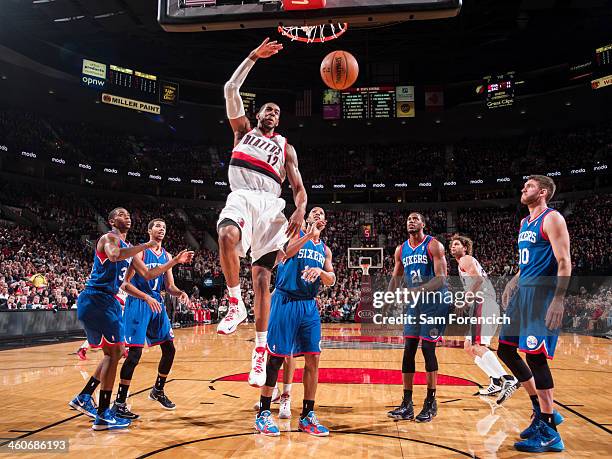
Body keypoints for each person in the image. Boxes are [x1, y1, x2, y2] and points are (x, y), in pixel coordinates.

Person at [217, 38, 307, 388]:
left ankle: (258, 352)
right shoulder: (241, 132)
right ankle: (234, 302)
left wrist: (299, 210)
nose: (273, 114)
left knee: (262, 278)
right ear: (257, 114)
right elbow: (230, 87)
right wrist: (253, 55)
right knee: (226, 235)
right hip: (241, 195)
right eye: (268, 110)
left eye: (278, 113)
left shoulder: (286, 147)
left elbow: (299, 189)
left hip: (271, 206)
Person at [496, 175, 570, 453]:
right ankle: (540, 409)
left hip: (542, 294)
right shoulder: (524, 223)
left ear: (542, 192)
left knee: (536, 357)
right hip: (523, 292)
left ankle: (549, 429)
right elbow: (526, 261)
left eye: (528, 186)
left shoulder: (552, 218)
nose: (522, 189)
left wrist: (559, 300)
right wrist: (514, 282)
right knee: (505, 349)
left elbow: (564, 261)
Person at [68, 208, 156, 431]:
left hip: (107, 302)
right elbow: (114, 255)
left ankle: (85, 397)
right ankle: (103, 414)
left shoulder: (128, 248)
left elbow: (146, 274)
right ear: (111, 221)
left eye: (129, 215)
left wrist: (174, 261)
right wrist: (146, 245)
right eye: (122, 214)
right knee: (115, 353)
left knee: (113, 353)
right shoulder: (109, 239)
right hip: (98, 299)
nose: (127, 217)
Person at [255, 207, 333, 436]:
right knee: (276, 358)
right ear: (307, 218)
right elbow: (284, 254)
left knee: (313, 359)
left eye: (321, 213)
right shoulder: (294, 233)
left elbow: (331, 279)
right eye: (314, 212)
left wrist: (320, 271)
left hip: (308, 305)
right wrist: (308, 234)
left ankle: (307, 415)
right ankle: (263, 413)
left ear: (325, 221)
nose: (318, 214)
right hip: (285, 299)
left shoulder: (325, 249)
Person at [111, 218, 194, 419]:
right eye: (157, 226)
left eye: (164, 227)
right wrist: (145, 297)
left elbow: (169, 286)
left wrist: (181, 293)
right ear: (149, 231)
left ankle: (158, 389)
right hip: (138, 303)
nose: (161, 229)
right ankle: (120, 402)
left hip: (157, 303)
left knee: (169, 349)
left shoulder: (166, 255)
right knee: (134, 355)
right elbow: (125, 284)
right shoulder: (140, 252)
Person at [387, 213, 449, 423]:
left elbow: (441, 278)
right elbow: (396, 277)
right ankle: (407, 403)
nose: (411, 221)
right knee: (408, 351)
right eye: (408, 219)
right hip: (416, 304)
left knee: (428, 349)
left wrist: (419, 290)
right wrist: (386, 300)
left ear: (423, 223)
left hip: (436, 303)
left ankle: (431, 402)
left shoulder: (434, 246)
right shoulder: (401, 249)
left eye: (415, 219)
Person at [449, 235, 518, 397]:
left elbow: (478, 280)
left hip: (484, 303)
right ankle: (495, 381)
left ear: (465, 248)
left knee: (477, 345)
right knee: (468, 346)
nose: (452, 247)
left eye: (457, 244)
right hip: (485, 304)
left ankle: (507, 378)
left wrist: (465, 301)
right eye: (451, 245)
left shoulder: (465, 259)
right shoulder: (463, 263)